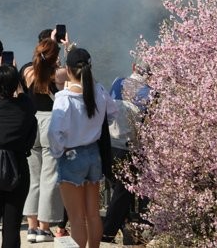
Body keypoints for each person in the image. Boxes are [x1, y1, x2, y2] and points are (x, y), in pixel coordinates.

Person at [48, 48, 117, 248]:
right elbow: (112, 114)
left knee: (76, 217)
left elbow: (55, 133)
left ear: (67, 70)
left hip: (71, 155)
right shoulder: (100, 91)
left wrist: (59, 152)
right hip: (94, 153)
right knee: (93, 215)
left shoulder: (64, 98)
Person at [0, 64, 37, 248]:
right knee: (12, 227)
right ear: (16, 85)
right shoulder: (25, 108)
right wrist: (17, 84)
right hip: (17, 171)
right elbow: (25, 98)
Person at [101, 57, 152, 245]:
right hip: (130, 147)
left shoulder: (117, 81)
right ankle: (108, 233)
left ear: (133, 67)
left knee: (121, 191)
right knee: (124, 193)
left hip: (109, 143)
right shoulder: (151, 94)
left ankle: (125, 231)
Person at [21, 38, 64, 243]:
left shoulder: (28, 72)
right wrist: (67, 47)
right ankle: (44, 228)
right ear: (55, 57)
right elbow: (78, 74)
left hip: (31, 123)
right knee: (49, 177)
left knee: (33, 178)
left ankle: (31, 226)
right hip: (50, 122)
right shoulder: (58, 75)